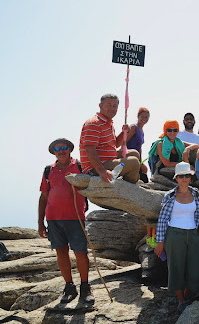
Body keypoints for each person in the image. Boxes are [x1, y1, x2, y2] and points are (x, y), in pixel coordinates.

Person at [154, 162, 199, 313]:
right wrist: (160, 242)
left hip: (192, 234)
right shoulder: (169, 196)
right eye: (181, 176)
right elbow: (162, 219)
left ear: (190, 177)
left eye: (187, 175)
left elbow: (198, 204)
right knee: (176, 268)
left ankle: (187, 295)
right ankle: (182, 301)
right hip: (174, 235)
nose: (184, 178)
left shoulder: (195, 193)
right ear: (176, 178)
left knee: (195, 269)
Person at [39, 138, 94, 303]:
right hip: (54, 218)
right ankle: (69, 287)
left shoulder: (80, 166)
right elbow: (43, 197)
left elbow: (91, 185)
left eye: (64, 147)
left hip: (76, 216)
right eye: (57, 149)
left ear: (70, 149)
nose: (61, 151)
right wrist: (40, 222)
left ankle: (85, 287)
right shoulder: (49, 170)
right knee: (61, 253)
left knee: (80, 252)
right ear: (54, 152)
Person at [79, 93, 141, 183]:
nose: (112, 109)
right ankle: (130, 187)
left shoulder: (108, 123)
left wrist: (124, 133)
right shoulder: (94, 123)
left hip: (108, 159)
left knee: (134, 154)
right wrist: (101, 170)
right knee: (134, 162)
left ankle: (126, 182)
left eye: (115, 106)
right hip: (95, 167)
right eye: (109, 105)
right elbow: (90, 149)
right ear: (100, 106)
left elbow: (114, 145)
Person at [118, 107, 150, 183]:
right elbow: (124, 142)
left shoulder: (142, 131)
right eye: (142, 116)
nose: (144, 119)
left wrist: (141, 162)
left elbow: (140, 148)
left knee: (144, 179)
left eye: (146, 117)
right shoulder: (133, 127)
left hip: (136, 157)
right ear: (138, 116)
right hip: (128, 156)